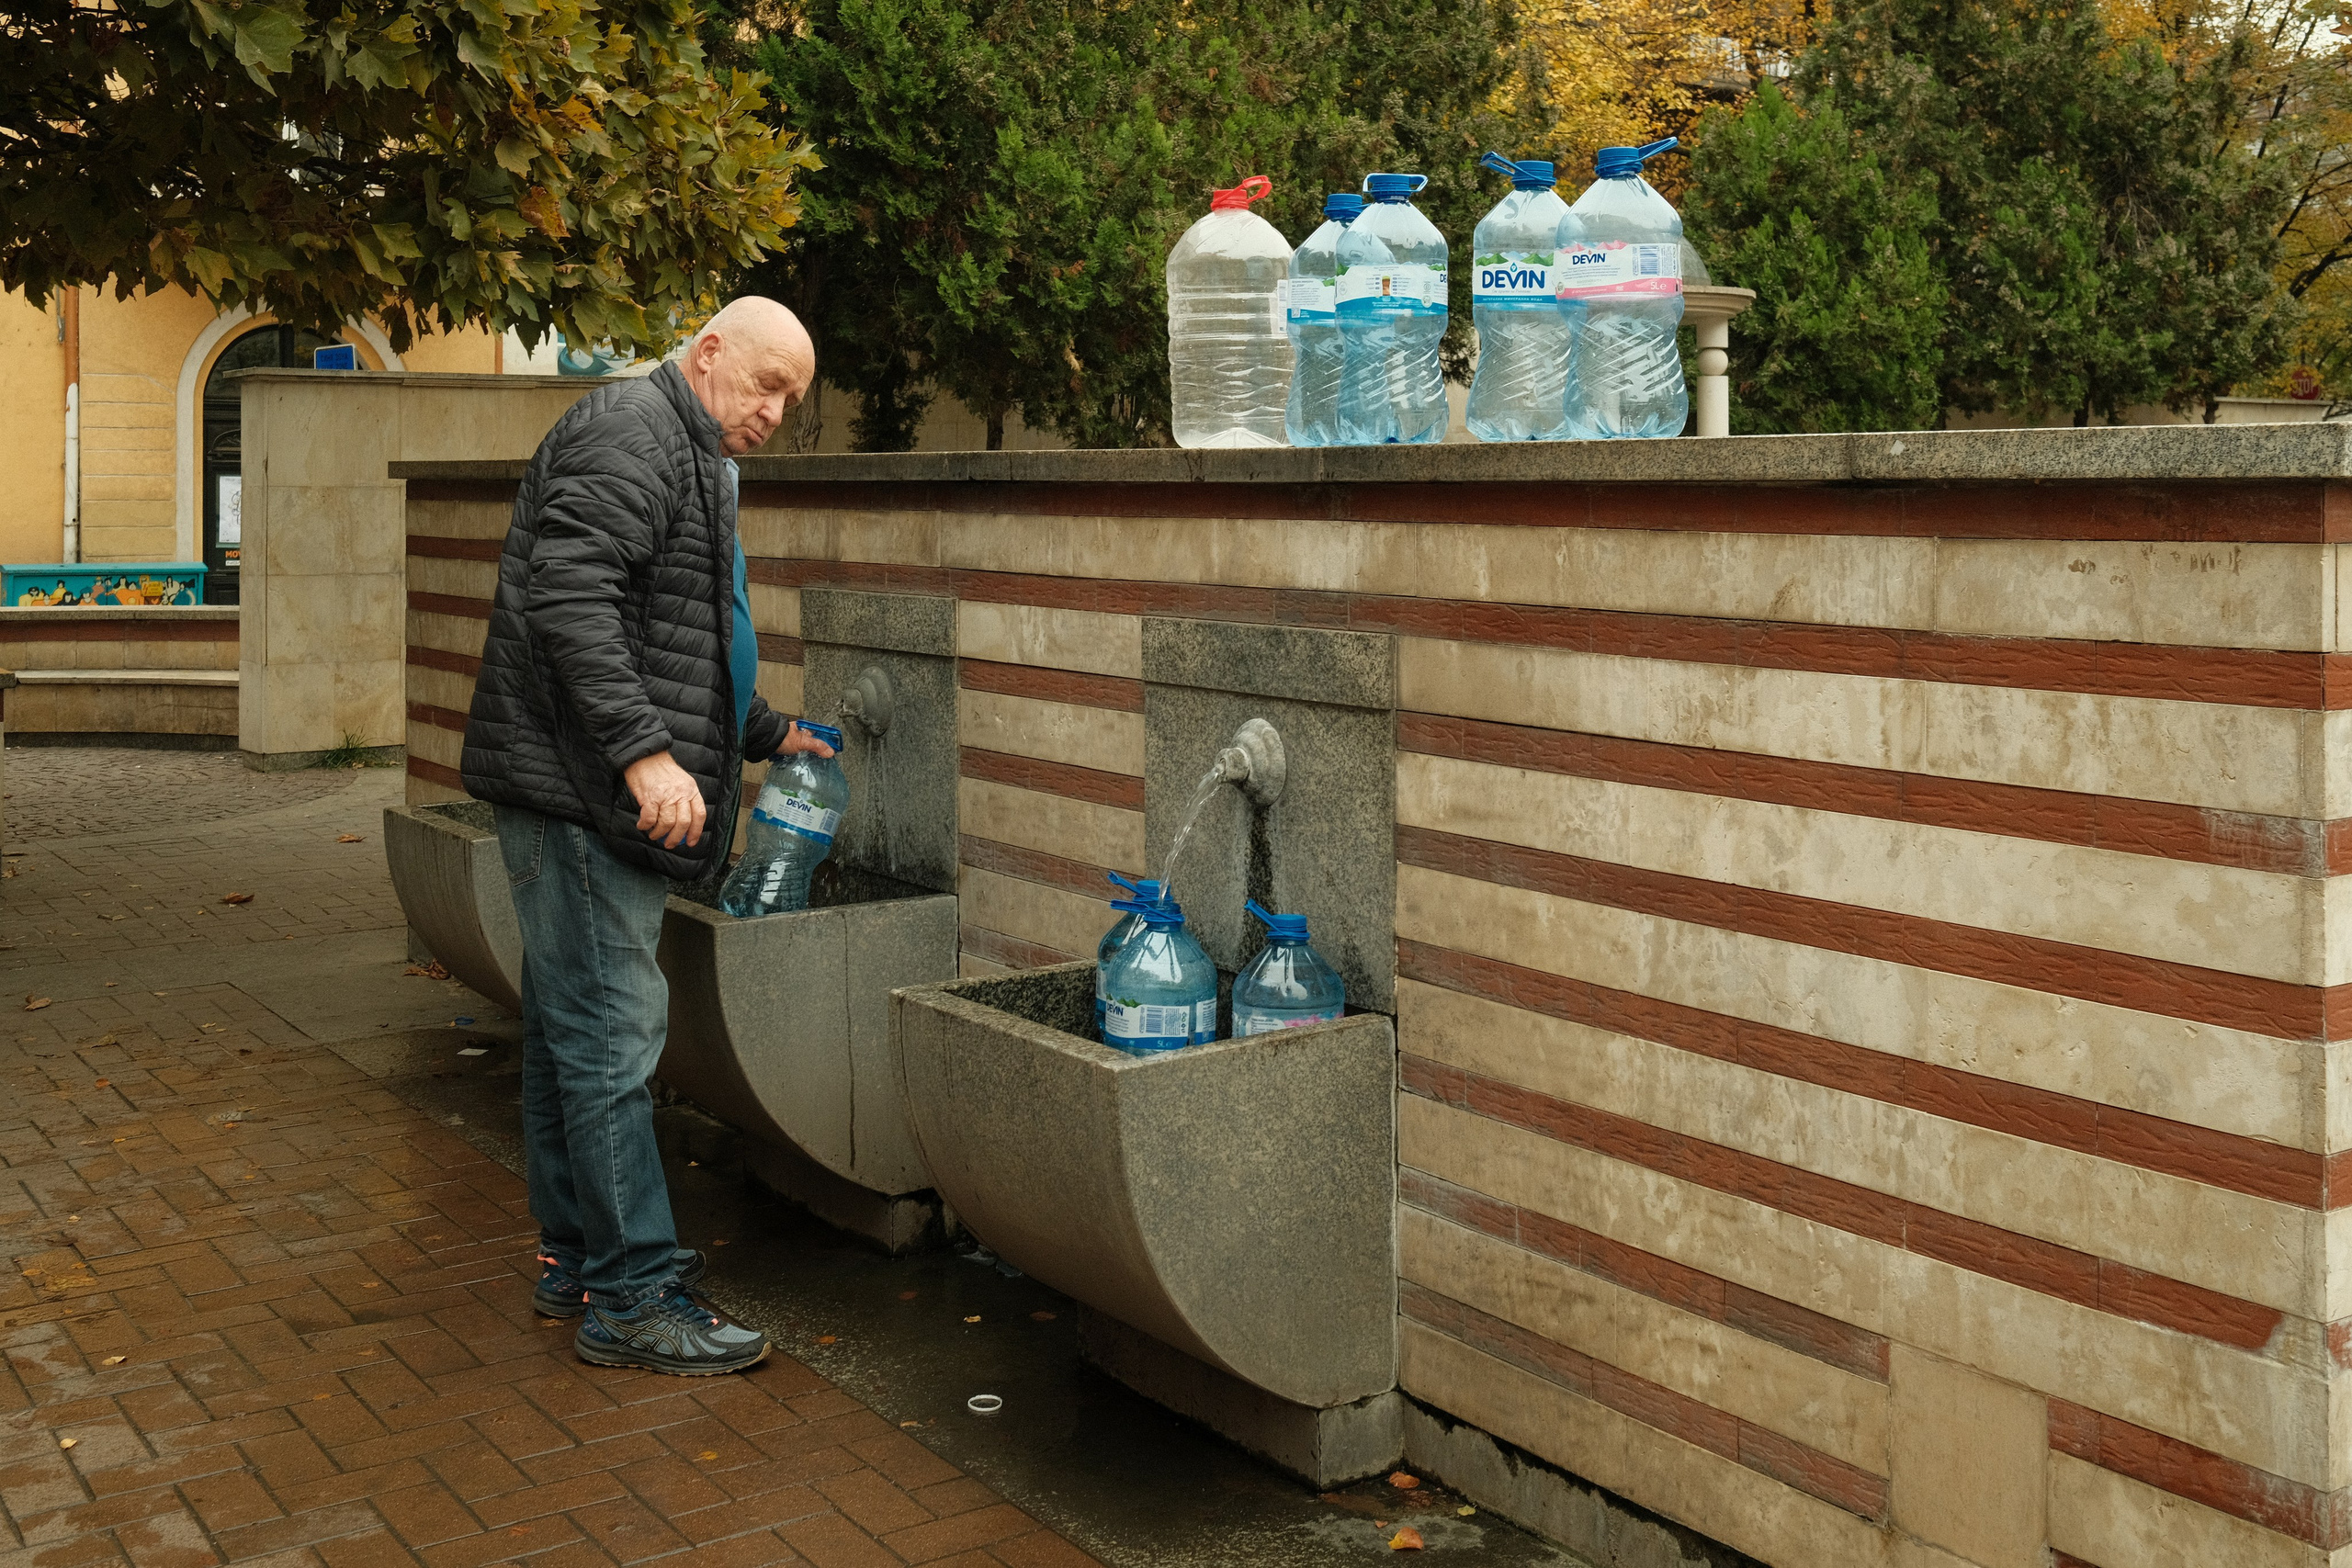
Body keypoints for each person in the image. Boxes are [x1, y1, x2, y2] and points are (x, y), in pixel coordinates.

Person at [459, 297, 831, 1376]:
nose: (774, 414)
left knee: (572, 1031)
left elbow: (679, 628)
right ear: (707, 353)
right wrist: (642, 755)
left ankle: (578, 1260)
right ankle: (631, 1295)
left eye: (790, 402)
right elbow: (568, 597)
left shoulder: (683, 446)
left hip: (580, 784)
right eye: (766, 386)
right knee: (614, 1036)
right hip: (581, 793)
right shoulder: (632, 429)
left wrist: (761, 732)